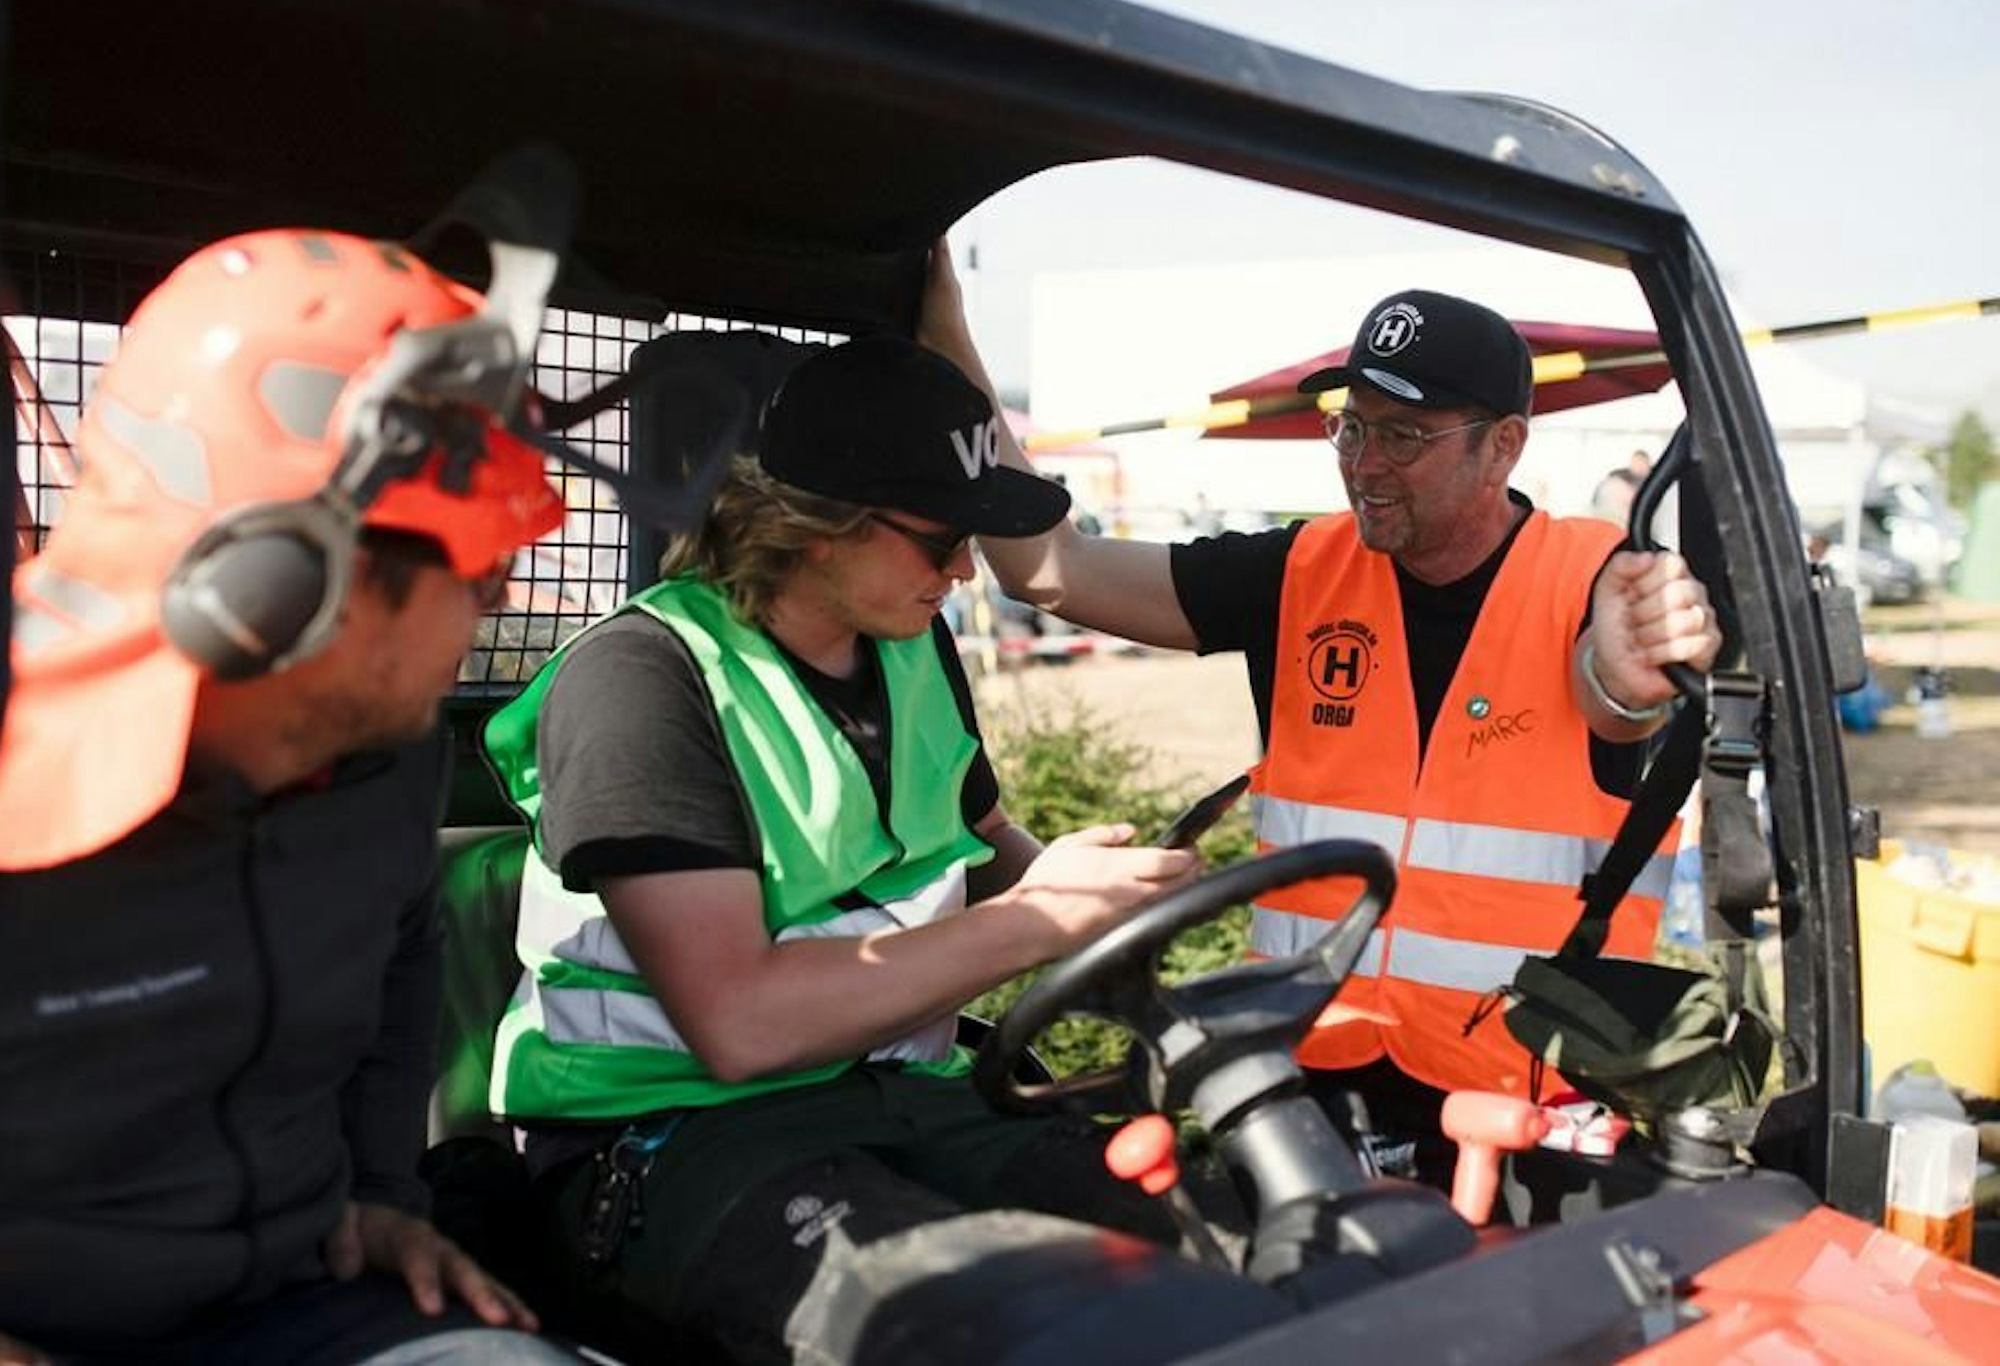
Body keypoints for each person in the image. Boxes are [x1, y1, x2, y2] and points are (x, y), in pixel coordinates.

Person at [922, 254, 1722, 1184]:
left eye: (1405, 436)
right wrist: (948, 339)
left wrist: (1629, 683)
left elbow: (1615, 702)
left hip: (1528, 1104)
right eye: (1350, 429)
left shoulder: (1594, 582)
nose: (1365, 466)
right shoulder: (1301, 569)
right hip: (1311, 1079)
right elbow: (1051, 568)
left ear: (1503, 445)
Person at [480, 335, 1196, 1362]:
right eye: (942, 537)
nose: (963, 569)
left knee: (1191, 1244)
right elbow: (739, 1024)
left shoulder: (910, 642)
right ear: (815, 527)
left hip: (902, 1092)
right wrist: (1036, 920)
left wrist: (1107, 898)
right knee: (971, 1327)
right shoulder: (642, 680)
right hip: (669, 1131)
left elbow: (979, 839)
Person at [0, 230, 582, 1364]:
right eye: (485, 574)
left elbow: (401, 948)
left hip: (292, 1290)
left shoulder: (382, 752)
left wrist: (377, 1194)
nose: (487, 615)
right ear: (299, 583)